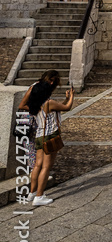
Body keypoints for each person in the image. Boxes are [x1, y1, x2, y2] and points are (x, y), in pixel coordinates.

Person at [18, 70, 74, 206]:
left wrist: (66, 99)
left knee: (37, 165)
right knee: (46, 167)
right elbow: (67, 107)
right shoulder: (49, 103)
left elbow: (60, 107)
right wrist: (71, 96)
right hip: (50, 136)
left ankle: (32, 193)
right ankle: (39, 196)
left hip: (39, 135)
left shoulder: (36, 105)